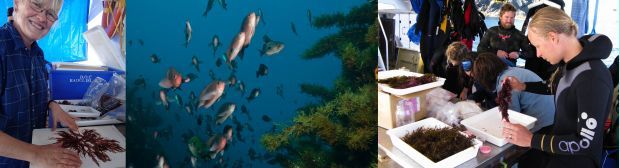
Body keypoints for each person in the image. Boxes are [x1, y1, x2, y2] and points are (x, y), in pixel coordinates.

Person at [502, 7, 613, 167]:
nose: (538, 54)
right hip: (558, 153)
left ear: (553, 37)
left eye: (538, 46)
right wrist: (522, 85)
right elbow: (557, 87)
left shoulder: (592, 78)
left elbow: (585, 143)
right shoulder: (570, 64)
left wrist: (531, 139)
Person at [0, 0, 82, 167]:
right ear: (17, 3)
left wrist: (52, 105)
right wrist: (36, 153)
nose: (42, 18)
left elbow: (32, 94)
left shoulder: (37, 54)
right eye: (37, 5)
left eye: (51, 14)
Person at [470, 52, 555, 132]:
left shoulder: (505, 82)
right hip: (553, 114)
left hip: (542, 123)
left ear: (485, 75)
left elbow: (511, 115)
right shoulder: (512, 70)